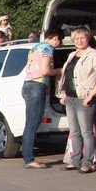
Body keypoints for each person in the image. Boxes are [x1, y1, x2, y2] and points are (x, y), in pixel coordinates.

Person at [57, 26, 96, 173]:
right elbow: (66, 76)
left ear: (87, 38)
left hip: (84, 98)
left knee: (86, 132)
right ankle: (75, 160)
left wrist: (91, 95)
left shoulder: (94, 55)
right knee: (74, 131)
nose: (79, 41)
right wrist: (63, 95)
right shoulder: (72, 55)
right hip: (71, 98)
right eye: (76, 38)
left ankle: (87, 161)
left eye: (82, 37)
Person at [22, 28, 63, 168]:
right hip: (37, 85)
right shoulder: (47, 49)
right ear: (55, 38)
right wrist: (60, 71)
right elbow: (45, 70)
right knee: (33, 124)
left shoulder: (35, 48)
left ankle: (27, 156)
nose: (59, 43)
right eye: (60, 40)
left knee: (29, 123)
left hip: (27, 84)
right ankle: (29, 159)